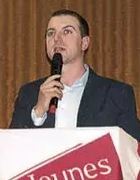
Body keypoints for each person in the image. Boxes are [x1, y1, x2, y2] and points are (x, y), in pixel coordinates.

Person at [9, 9, 140, 140]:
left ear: (84, 43)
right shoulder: (29, 93)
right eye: (50, 33)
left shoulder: (116, 94)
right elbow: (10, 149)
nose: (56, 38)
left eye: (67, 32)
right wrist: (38, 113)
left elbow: (132, 151)